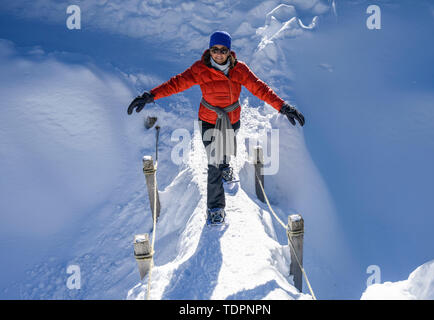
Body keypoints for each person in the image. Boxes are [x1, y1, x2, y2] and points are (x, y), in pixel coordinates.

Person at [127, 31, 305, 225]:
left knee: (226, 150)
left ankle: (226, 166)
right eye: (215, 50)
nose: (218, 54)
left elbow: (261, 89)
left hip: (231, 118)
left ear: (229, 51)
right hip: (208, 120)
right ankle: (216, 207)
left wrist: (283, 107)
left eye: (223, 50)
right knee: (213, 163)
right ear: (209, 50)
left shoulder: (240, 70)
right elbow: (176, 84)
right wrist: (149, 96)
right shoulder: (200, 69)